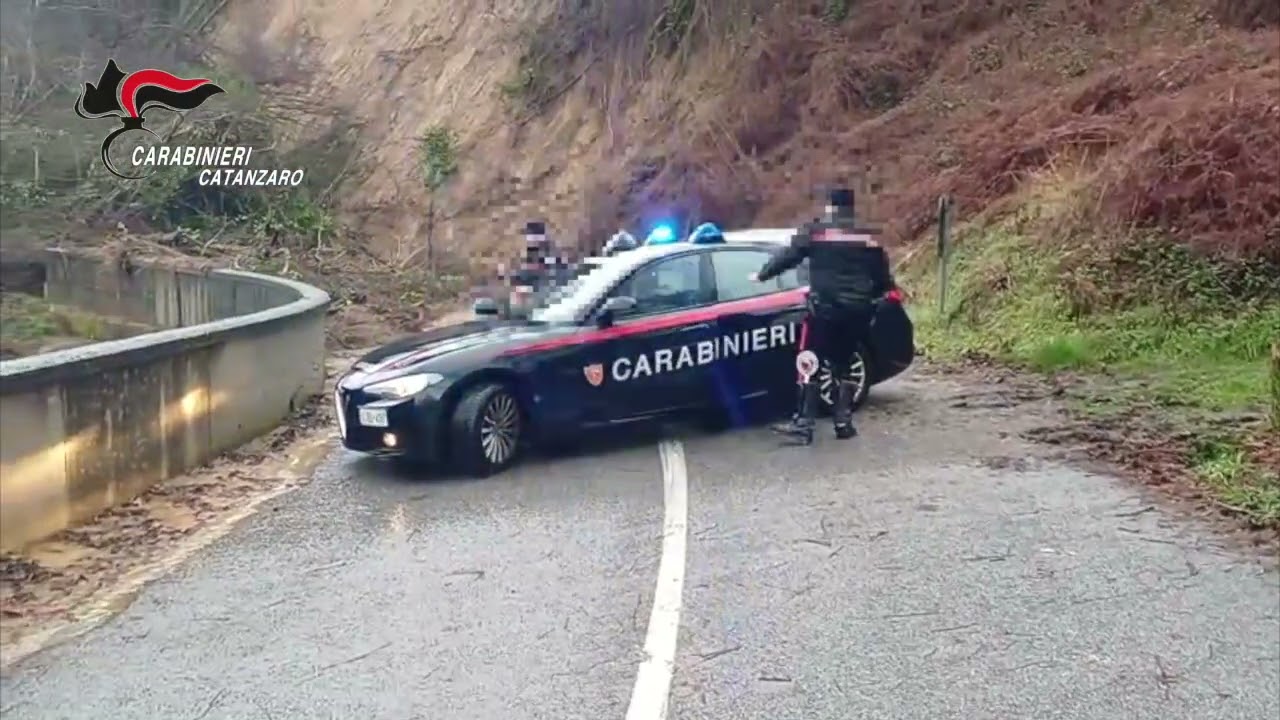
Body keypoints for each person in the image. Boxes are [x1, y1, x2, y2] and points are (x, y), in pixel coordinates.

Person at [750, 187, 895, 445]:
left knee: (810, 360)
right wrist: (872, 296)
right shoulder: (866, 235)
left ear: (830, 206)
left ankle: (804, 424)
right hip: (858, 311)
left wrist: (762, 275)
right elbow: (882, 275)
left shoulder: (817, 230)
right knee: (845, 363)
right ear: (851, 207)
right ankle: (843, 423)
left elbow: (789, 256)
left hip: (825, 309)